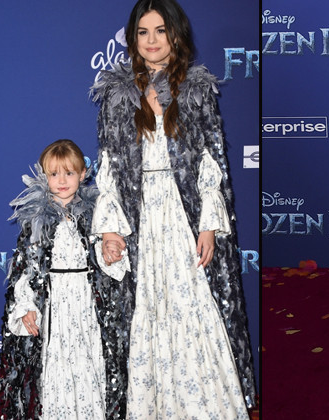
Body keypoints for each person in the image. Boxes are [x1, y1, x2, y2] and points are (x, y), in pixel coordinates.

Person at [90, 0, 255, 417]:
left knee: (192, 302)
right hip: (140, 214)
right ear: (133, 39)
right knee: (147, 305)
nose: (151, 40)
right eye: (143, 32)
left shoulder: (195, 90)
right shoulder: (116, 95)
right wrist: (110, 228)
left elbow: (210, 161)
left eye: (160, 30)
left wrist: (208, 224)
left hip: (182, 215)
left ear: (176, 35)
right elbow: (108, 164)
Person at [0, 139, 129, 419]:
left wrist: (111, 254)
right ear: (44, 176)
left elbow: (106, 262)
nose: (62, 180)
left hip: (85, 304)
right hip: (54, 304)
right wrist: (27, 306)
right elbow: (26, 268)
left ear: (83, 174)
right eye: (54, 174)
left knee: (88, 359)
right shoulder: (36, 218)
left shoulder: (97, 215)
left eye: (69, 173)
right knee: (55, 362)